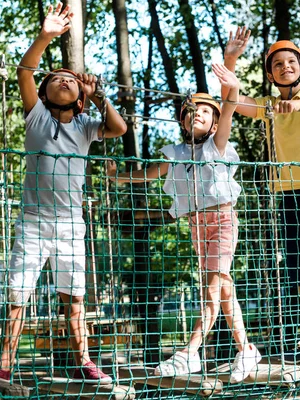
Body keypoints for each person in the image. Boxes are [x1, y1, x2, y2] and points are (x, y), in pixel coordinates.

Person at [0, 1, 127, 383]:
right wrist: (45, 36)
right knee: (18, 293)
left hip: (71, 225)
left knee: (75, 298)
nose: (64, 80)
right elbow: (25, 70)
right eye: (56, 78)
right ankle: (2, 365)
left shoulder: (86, 125)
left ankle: (84, 362)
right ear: (45, 93)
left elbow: (118, 129)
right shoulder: (37, 118)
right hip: (33, 224)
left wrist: (99, 95)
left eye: (71, 79)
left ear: (81, 98)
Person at [108, 64, 261, 383]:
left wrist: (230, 83)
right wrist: (116, 177)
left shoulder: (216, 145)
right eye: (190, 111)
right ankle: (245, 348)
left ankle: (190, 352)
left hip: (222, 219)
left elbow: (229, 108)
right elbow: (147, 175)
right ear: (181, 120)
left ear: (215, 121)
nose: (197, 115)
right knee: (223, 288)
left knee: (212, 286)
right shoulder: (175, 153)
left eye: (205, 111)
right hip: (196, 224)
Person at [221, 27, 300, 366]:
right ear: (271, 75)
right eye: (277, 64)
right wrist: (231, 59)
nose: (285, 67)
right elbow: (233, 101)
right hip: (288, 192)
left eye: (291, 62)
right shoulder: (270, 106)